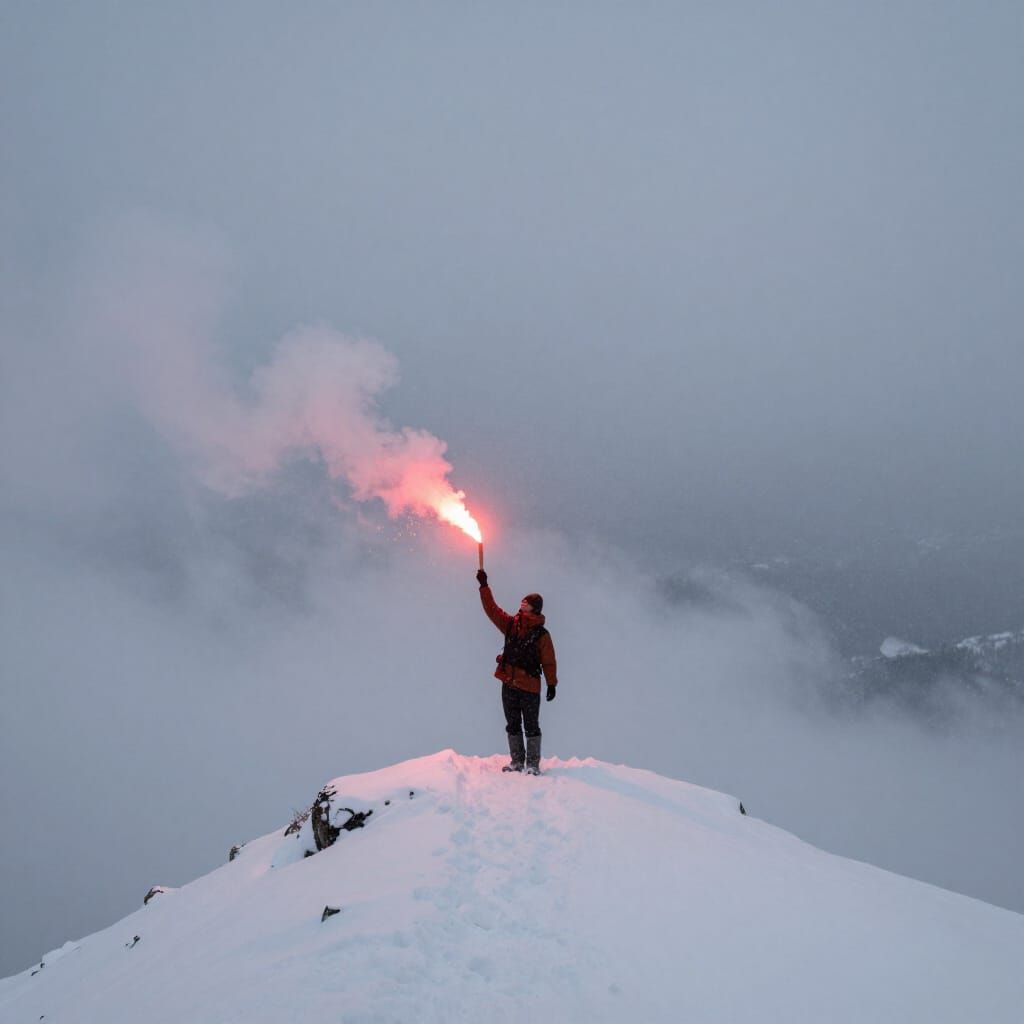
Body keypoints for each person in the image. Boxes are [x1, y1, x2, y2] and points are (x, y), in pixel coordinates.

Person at [476, 568, 558, 775]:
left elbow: (549, 661)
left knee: (531, 726)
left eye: (526, 603)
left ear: (535, 609)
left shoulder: (542, 635)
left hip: (529, 687)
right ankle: (517, 762)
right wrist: (484, 586)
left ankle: (532, 765)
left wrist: (551, 684)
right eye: (522, 602)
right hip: (509, 683)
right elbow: (492, 610)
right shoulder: (511, 625)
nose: (522, 605)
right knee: (512, 724)